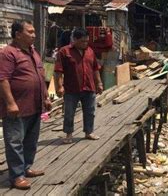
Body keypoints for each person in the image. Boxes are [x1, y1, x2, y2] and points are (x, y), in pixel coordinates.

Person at [0, 20, 52, 190]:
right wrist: (10, 103)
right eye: (30, 32)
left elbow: (40, 75)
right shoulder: (8, 53)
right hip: (17, 108)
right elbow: (3, 79)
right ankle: (17, 176)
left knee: (31, 141)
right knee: (15, 142)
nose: (34, 35)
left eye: (34, 31)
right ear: (18, 34)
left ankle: (26, 167)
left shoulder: (33, 52)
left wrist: (45, 97)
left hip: (35, 106)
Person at [54, 28, 103, 144]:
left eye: (87, 41)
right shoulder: (64, 52)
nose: (85, 44)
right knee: (69, 112)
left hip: (89, 87)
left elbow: (95, 69)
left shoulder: (90, 51)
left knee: (90, 111)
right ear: (74, 40)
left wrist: (99, 83)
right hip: (72, 88)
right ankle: (68, 134)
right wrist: (59, 86)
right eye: (82, 41)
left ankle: (88, 132)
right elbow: (58, 71)